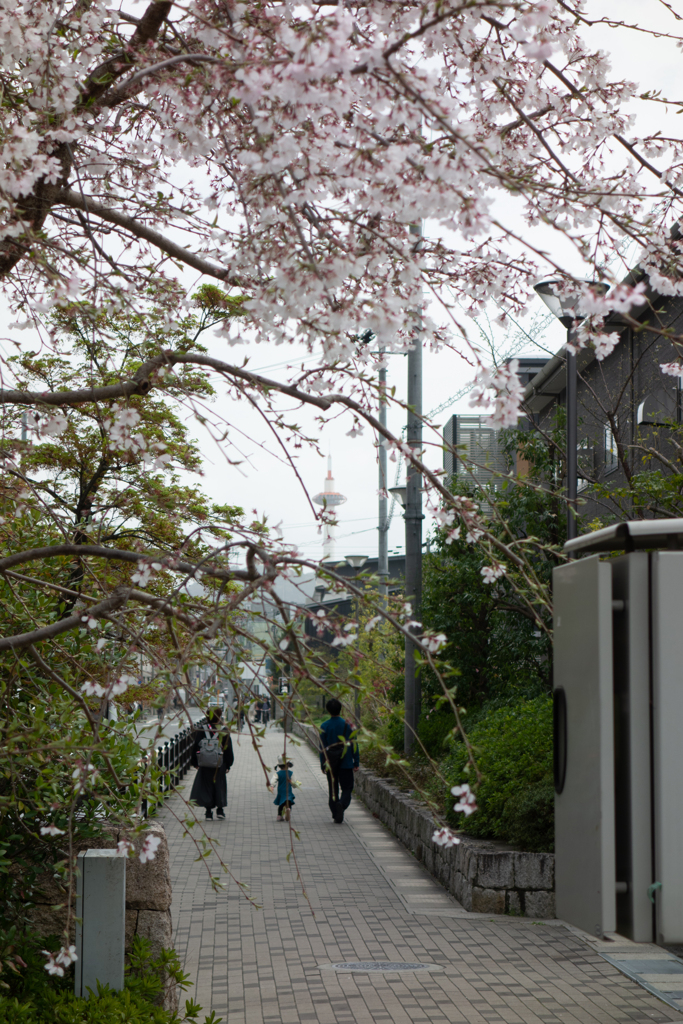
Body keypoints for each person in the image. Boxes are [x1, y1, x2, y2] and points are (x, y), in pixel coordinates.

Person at [320, 698, 359, 824]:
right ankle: (341, 805)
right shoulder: (349, 726)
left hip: (331, 764)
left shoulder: (324, 726)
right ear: (340, 709)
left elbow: (323, 748)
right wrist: (356, 762)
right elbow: (355, 745)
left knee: (333, 789)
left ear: (328, 710)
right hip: (346, 763)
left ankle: (336, 813)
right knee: (347, 788)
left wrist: (323, 763)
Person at [190, 709, 234, 820]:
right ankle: (220, 810)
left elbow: (196, 746)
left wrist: (195, 762)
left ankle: (208, 812)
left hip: (204, 763)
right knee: (219, 786)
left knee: (206, 787)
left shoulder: (202, 729)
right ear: (219, 716)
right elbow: (228, 748)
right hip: (219, 763)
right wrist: (228, 764)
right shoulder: (223, 730)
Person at [271, 757, 295, 822]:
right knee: (288, 802)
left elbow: (273, 780)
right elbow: (293, 782)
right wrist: (295, 785)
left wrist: (272, 786)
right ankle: (288, 809)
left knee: (281, 804)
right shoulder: (290, 773)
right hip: (288, 791)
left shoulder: (277, 773)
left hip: (281, 791)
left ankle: (279, 816)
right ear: (288, 765)